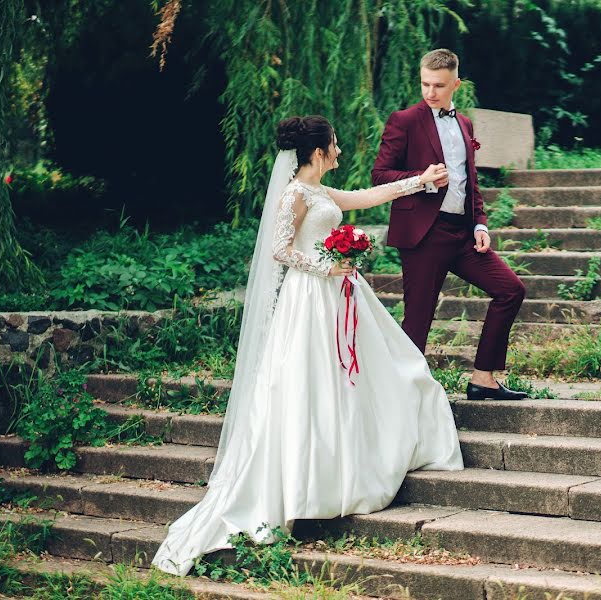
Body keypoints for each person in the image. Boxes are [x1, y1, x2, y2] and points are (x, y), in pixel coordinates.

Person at [151, 115, 463, 576]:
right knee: (310, 381)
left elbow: (366, 197)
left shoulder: (320, 192)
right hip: (310, 297)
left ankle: (350, 464)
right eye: (334, 146)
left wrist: (419, 181)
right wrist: (326, 265)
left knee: (385, 370)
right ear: (318, 152)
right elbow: (279, 249)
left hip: (340, 293)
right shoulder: (295, 194)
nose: (338, 152)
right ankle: (308, 483)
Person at [372, 48, 528, 401]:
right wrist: (422, 178)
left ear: (455, 84)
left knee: (511, 290)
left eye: (439, 85)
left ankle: (483, 378)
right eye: (425, 84)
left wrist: (481, 225)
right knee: (418, 319)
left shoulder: (464, 124)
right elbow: (380, 175)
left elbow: (469, 181)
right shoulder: (404, 120)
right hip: (424, 235)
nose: (430, 92)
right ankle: (403, 397)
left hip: (463, 235)